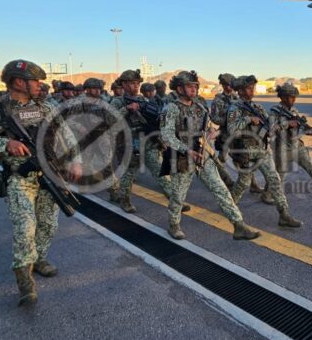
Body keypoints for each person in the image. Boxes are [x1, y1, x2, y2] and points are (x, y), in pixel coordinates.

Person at [0, 59, 82, 306]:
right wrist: (5, 144)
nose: (40, 85)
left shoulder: (46, 107)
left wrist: (75, 161)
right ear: (19, 82)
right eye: (35, 81)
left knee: (49, 225)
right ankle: (25, 281)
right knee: (26, 227)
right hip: (19, 178)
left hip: (50, 173)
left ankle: (39, 259)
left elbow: (66, 135)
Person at [160, 71, 260, 241]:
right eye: (189, 86)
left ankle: (239, 225)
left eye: (195, 86)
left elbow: (206, 127)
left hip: (201, 153)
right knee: (178, 195)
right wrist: (187, 150)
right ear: (179, 88)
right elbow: (167, 135)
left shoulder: (199, 107)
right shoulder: (171, 108)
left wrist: (212, 132)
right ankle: (174, 224)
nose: (194, 89)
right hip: (182, 156)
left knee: (220, 189)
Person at [227, 75, 302, 228]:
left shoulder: (257, 107)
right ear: (240, 91)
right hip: (245, 151)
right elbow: (231, 129)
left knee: (274, 180)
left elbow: (271, 125)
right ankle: (229, 205)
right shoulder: (235, 108)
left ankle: (284, 215)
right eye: (249, 88)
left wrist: (288, 124)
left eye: (253, 87)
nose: (252, 90)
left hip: (261, 149)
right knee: (244, 182)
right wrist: (248, 120)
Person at [110, 69, 175, 213]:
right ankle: (125, 200)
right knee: (129, 174)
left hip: (149, 141)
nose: (136, 86)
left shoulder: (143, 100)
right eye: (132, 83)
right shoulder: (117, 102)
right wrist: (127, 109)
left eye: (137, 83)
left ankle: (174, 200)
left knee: (160, 171)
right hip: (129, 144)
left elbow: (155, 118)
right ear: (124, 84)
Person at [209, 73, 237, 187]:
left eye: (231, 85)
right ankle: (218, 177)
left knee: (243, 159)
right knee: (222, 159)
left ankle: (253, 184)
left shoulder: (236, 98)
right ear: (223, 85)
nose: (229, 87)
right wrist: (227, 120)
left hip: (237, 133)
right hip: (225, 134)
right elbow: (214, 118)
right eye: (226, 85)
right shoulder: (218, 100)